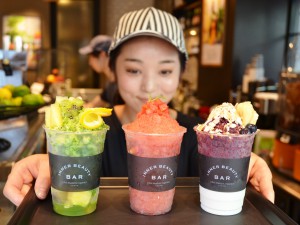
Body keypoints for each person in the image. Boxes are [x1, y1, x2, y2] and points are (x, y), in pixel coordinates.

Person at [3, 7, 274, 207]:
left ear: (182, 74)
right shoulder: (91, 135)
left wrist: (242, 164)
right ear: (112, 70)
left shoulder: (201, 136)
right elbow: (72, 186)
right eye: (133, 70)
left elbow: (219, 173)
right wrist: (52, 166)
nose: (149, 87)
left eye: (165, 71)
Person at [79, 35, 118, 107]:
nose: (89, 62)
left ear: (102, 55)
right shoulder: (110, 83)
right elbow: (93, 104)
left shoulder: (120, 83)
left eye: (91, 56)